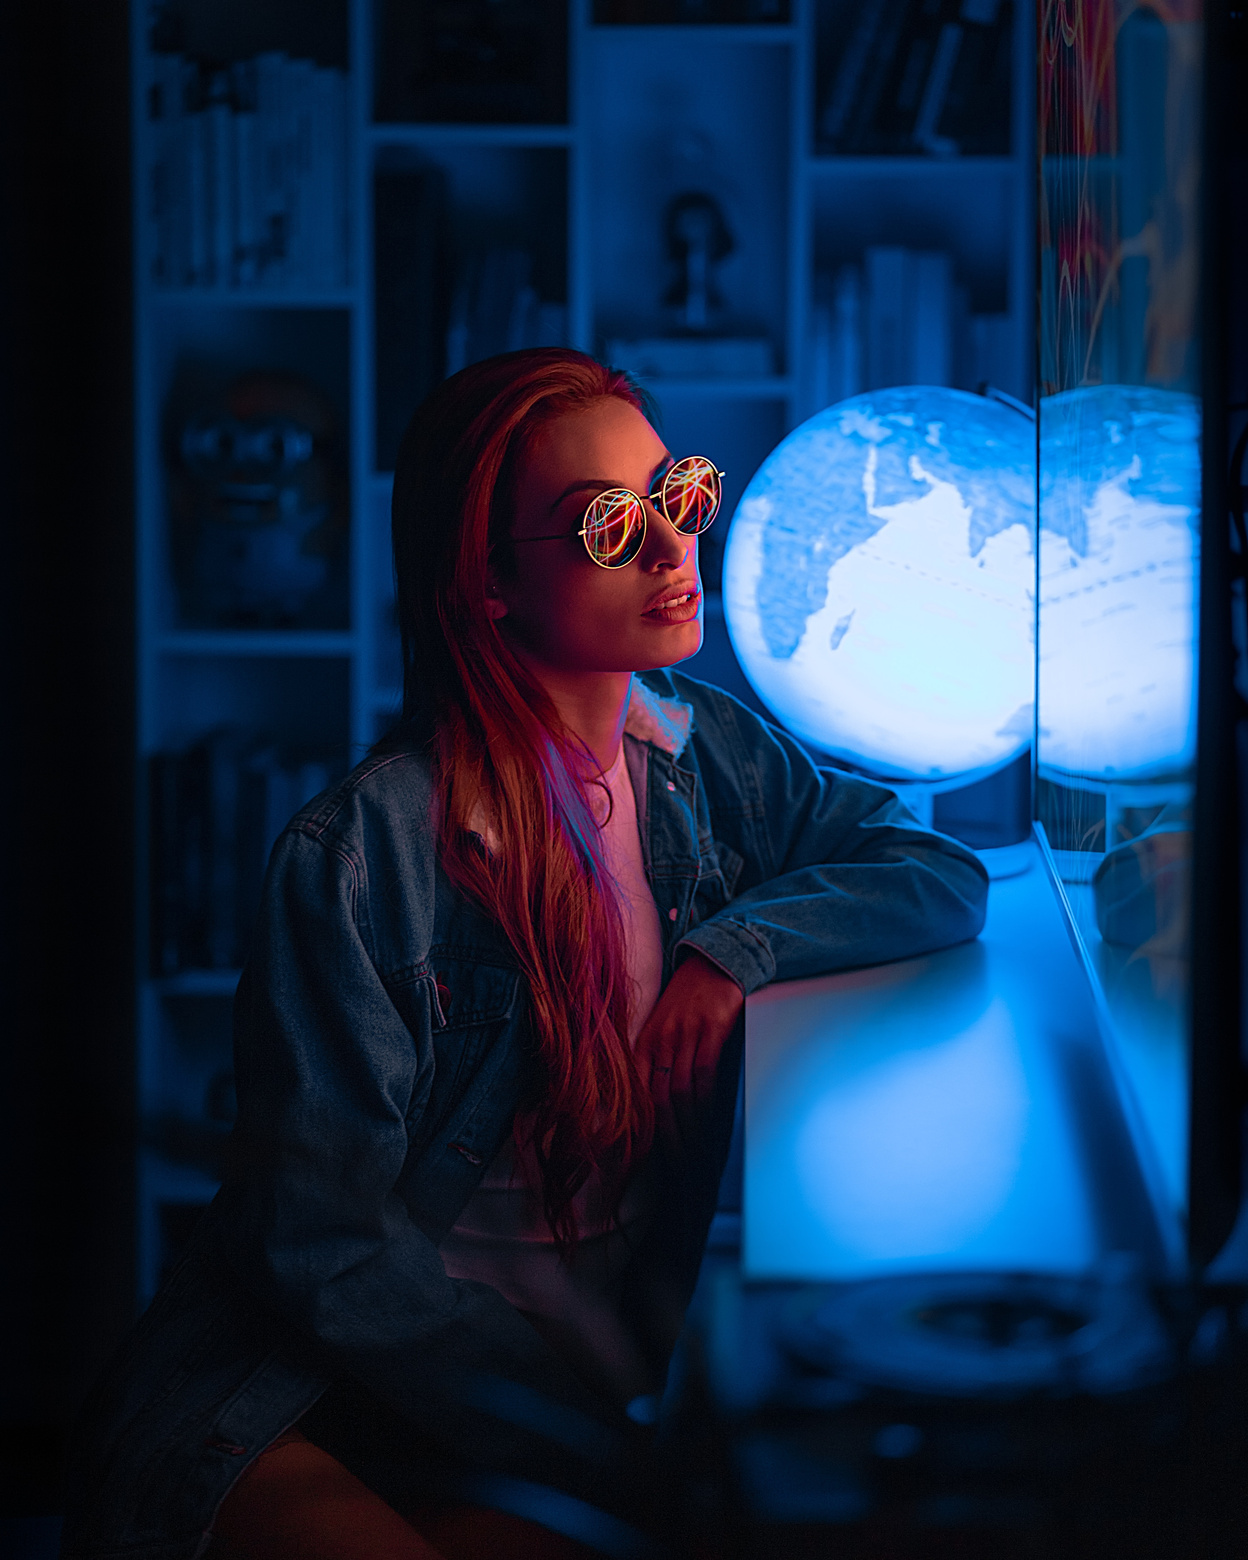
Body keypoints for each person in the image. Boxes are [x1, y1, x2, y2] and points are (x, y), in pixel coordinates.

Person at [61, 349, 988, 1560]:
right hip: (300, 1398)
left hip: (560, 1410)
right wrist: (578, 1422)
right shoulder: (358, 856)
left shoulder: (713, 767)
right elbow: (321, 1246)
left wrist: (730, 956)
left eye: (678, 494)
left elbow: (934, 871)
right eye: (607, 527)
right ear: (487, 580)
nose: (671, 548)